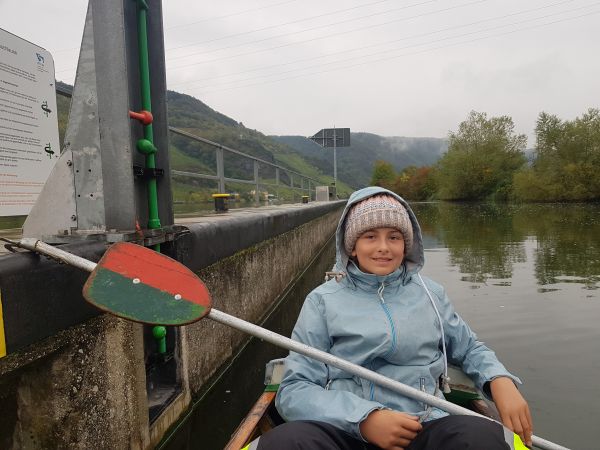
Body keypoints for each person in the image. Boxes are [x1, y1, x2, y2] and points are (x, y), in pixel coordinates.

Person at [256, 186, 532, 450]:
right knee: (286, 442)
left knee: (482, 437)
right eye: (370, 236)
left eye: (394, 237)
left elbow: (469, 348)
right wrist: (364, 419)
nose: (384, 247)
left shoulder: (430, 294)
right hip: (345, 429)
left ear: (406, 245)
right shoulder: (322, 301)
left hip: (423, 424)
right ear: (352, 246)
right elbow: (295, 389)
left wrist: (499, 380)